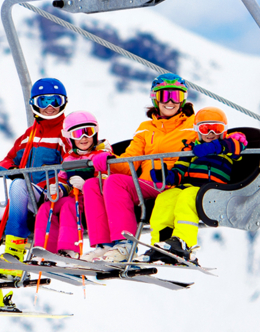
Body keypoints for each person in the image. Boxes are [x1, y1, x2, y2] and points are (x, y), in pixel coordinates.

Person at [0, 78, 70, 310]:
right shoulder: (29, 135)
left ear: (63, 103)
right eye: (43, 101)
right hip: (22, 197)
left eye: (55, 101)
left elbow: (72, 163)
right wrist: (10, 169)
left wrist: (57, 184)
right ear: (34, 104)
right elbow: (7, 160)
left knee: (19, 186)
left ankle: (14, 253)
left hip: (47, 197)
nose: (50, 106)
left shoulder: (65, 133)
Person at [81, 73, 197, 262]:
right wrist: (109, 161)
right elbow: (130, 163)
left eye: (175, 96)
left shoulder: (193, 124)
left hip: (173, 181)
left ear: (183, 99)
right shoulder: (145, 128)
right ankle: (104, 246)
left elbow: (213, 132)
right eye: (163, 95)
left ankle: (126, 244)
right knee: (94, 185)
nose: (170, 101)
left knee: (115, 182)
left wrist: (234, 139)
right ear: (155, 98)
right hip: (147, 183)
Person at [143, 106, 248, 264]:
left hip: (214, 190)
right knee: (164, 198)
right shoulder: (190, 149)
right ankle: (161, 243)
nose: (210, 133)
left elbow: (238, 148)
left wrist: (212, 148)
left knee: (187, 197)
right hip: (189, 186)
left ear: (224, 130)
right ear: (197, 130)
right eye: (205, 129)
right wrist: (166, 177)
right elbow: (179, 171)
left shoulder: (230, 144)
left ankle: (183, 243)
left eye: (216, 129)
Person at [33, 111, 112, 257]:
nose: (84, 138)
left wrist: (87, 184)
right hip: (73, 196)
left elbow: (107, 178)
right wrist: (59, 189)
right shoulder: (69, 159)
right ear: (69, 138)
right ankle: (44, 250)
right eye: (77, 134)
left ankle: (69, 250)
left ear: (95, 133)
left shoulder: (102, 155)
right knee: (46, 207)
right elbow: (63, 179)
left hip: (93, 199)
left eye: (88, 132)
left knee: (69, 205)